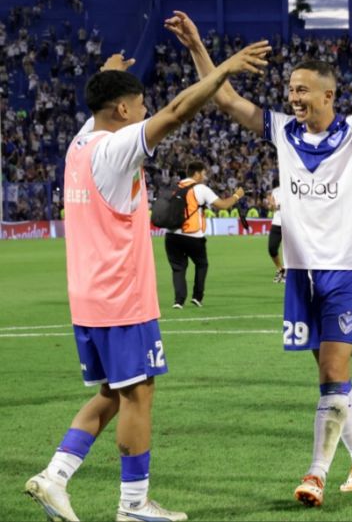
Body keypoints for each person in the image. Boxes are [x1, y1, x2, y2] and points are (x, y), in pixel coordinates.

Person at [163, 1, 352, 507]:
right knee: (330, 373)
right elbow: (227, 99)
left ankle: (315, 473)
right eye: (289, 90)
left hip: (346, 268)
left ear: (328, 94)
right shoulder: (283, 131)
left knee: (332, 374)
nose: (293, 97)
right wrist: (197, 47)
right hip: (300, 272)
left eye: (301, 90)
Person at [25, 44, 269, 522]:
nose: (144, 112)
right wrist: (222, 71)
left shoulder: (81, 142)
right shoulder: (116, 148)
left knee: (112, 394)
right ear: (122, 110)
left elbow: (108, 99)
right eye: (138, 105)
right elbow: (176, 112)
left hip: (88, 298)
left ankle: (55, 477)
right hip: (121, 297)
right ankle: (134, 506)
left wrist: (107, 72)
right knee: (139, 394)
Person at [164, 161, 244, 309]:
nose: (205, 176)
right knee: (202, 264)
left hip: (171, 235)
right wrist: (236, 196)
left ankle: (178, 301)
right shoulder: (200, 188)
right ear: (196, 174)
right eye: (204, 173)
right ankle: (197, 297)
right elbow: (223, 205)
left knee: (178, 268)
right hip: (192, 234)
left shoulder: (174, 187)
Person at [268, 184, 285, 283]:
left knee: (291, 251)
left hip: (291, 223)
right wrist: (271, 205)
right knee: (272, 248)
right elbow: (272, 208)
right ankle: (280, 269)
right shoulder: (275, 191)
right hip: (277, 223)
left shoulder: (293, 187)